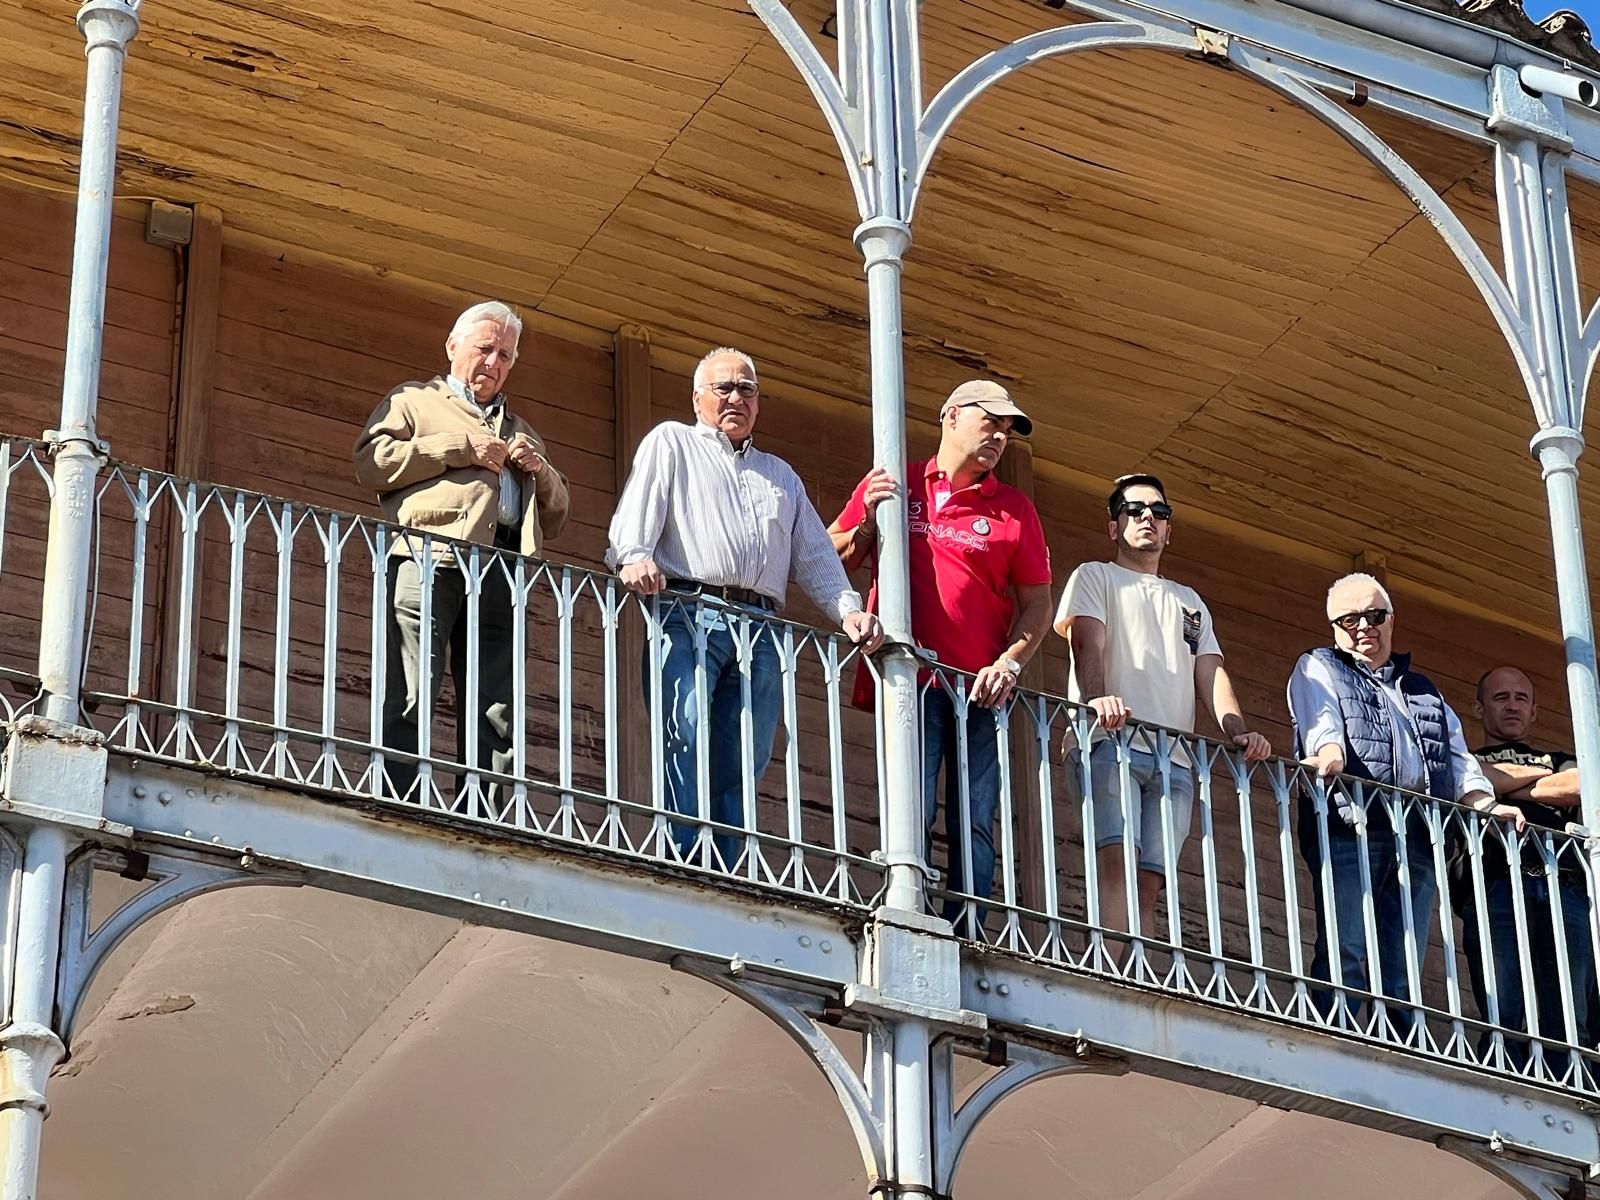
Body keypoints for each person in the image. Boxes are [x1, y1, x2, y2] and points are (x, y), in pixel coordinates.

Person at [607, 347, 883, 868]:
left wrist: (848, 610)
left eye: (747, 389)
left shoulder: (780, 474)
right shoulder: (673, 442)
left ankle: (729, 865)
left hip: (759, 628)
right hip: (687, 612)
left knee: (744, 754)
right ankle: (685, 860)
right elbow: (633, 521)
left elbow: (816, 557)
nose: (736, 397)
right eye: (723, 388)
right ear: (697, 398)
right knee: (684, 737)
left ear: (758, 403)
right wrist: (635, 556)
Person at [829, 381, 1053, 934]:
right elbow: (831, 553)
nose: (1000, 436)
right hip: (910, 678)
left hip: (978, 689)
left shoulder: (1013, 509)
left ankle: (967, 924)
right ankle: (909, 911)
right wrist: (867, 521)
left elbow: (1038, 603)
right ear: (951, 417)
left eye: (1007, 429)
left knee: (974, 816)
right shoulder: (895, 480)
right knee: (912, 806)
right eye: (991, 421)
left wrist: (1010, 663)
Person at [354, 301, 570, 803]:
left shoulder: (521, 430)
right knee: (412, 683)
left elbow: (558, 516)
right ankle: (400, 794)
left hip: (501, 569)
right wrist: (459, 448)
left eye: (506, 355)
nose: (494, 362)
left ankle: (487, 807)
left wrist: (538, 471)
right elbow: (371, 463)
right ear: (453, 347)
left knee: (497, 701)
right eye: (485, 349)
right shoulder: (413, 400)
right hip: (429, 558)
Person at [1287, 573, 1520, 1031]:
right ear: (1333, 624)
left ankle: (1398, 1037)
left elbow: (1457, 758)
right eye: (1349, 619)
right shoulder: (1318, 665)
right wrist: (1329, 754)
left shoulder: (1423, 689)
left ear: (1390, 619)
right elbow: (1321, 721)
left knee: (1406, 950)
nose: (1363, 627)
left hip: (1416, 832)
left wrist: (1485, 805)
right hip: (1348, 821)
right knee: (1346, 940)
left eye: (1374, 616)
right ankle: (1337, 1032)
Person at [1055, 473, 1270, 941]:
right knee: (1117, 866)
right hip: (1109, 741)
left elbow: (1209, 670)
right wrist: (1096, 699)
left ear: (1169, 529)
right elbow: (1085, 643)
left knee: (1150, 883)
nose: (1147, 517)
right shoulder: (1096, 576)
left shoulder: (1189, 602)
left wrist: (1237, 729)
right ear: (1115, 526)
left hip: (1173, 756)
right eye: (1134, 510)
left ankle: (1142, 977)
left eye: (1159, 511)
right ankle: (1115, 978)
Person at [1467, 665, 1592, 1067]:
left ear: (1535, 711)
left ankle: (1569, 1081)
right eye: (1501, 697)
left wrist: (1507, 783)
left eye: (1521, 698)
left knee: (1569, 1010)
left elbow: (1582, 783)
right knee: (1502, 1002)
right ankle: (1503, 1077)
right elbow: (1473, 777)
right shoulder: (1467, 759)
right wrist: (1544, 780)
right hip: (1498, 883)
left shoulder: (1562, 758)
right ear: (1480, 708)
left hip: (1564, 885)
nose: (1512, 705)